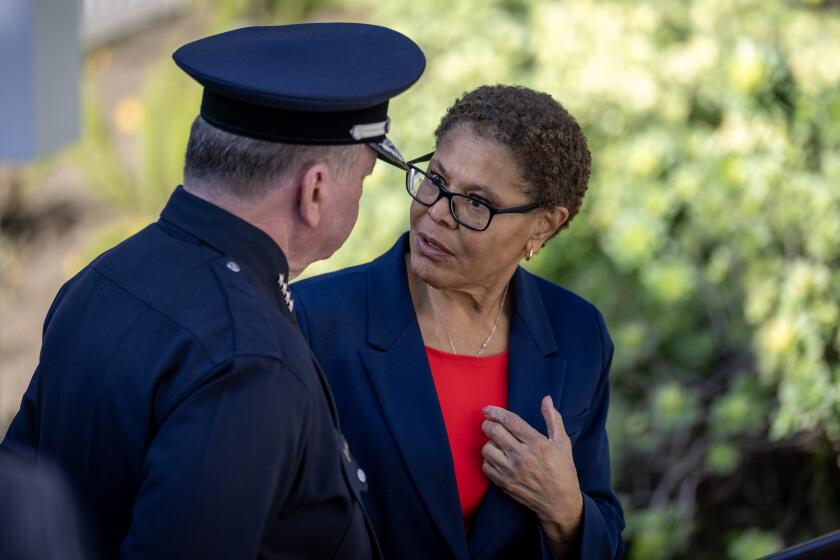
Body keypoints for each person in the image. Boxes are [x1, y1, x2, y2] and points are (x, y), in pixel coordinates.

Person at [1, 23, 424, 559]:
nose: (360, 194)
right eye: (362, 179)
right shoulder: (250, 360)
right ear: (314, 190)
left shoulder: (102, 278)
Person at [292, 85, 625, 559]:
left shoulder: (578, 333)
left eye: (477, 204)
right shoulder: (315, 320)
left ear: (544, 226)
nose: (436, 213)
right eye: (436, 179)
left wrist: (565, 509)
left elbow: (606, 539)